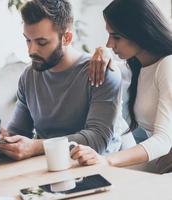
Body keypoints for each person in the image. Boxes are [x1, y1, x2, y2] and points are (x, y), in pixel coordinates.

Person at [0, 0, 129, 161]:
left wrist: (36, 146)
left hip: (100, 167)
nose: (31, 50)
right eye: (28, 40)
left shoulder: (101, 71)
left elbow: (97, 139)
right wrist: (3, 138)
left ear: (67, 38)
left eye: (42, 42)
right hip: (49, 166)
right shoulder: (29, 76)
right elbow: (19, 133)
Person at [72, 0, 172, 173]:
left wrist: (106, 161)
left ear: (140, 32)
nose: (110, 43)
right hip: (159, 163)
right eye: (109, 35)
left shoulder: (167, 65)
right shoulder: (135, 67)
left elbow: (163, 140)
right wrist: (102, 50)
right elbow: (105, 64)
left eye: (116, 37)